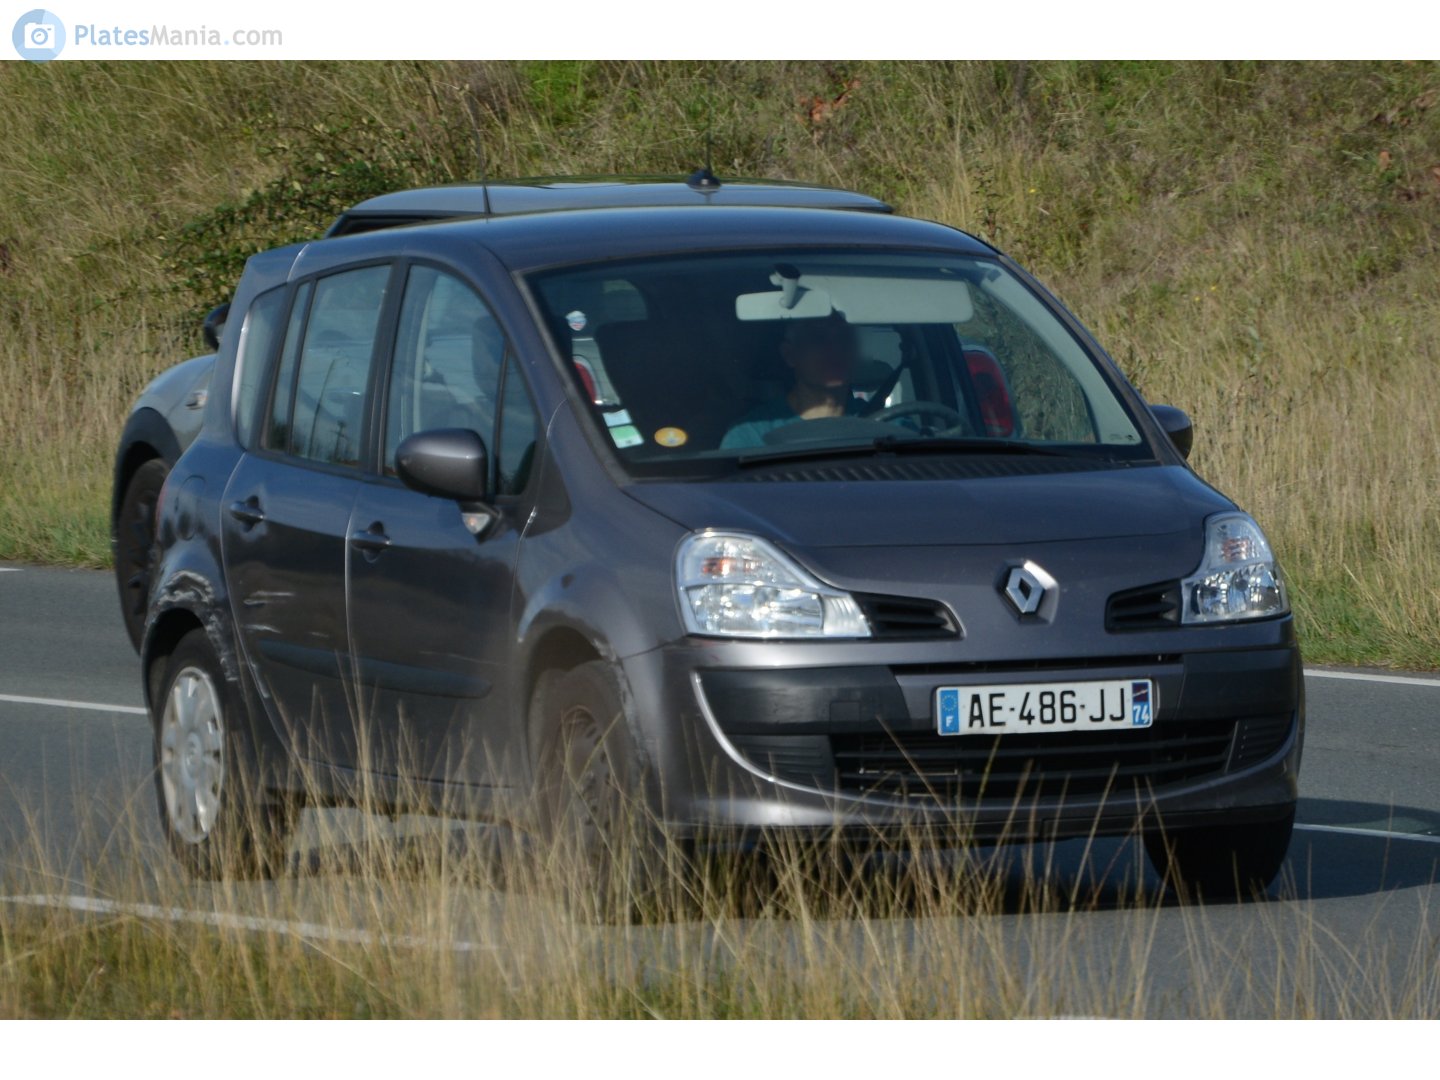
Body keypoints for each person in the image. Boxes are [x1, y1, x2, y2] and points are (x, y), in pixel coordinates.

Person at [721, 314, 868, 449]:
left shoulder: (882, 423)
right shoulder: (750, 436)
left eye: (845, 337)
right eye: (818, 338)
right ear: (789, 354)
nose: (835, 348)